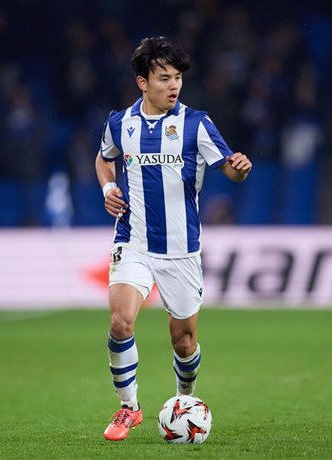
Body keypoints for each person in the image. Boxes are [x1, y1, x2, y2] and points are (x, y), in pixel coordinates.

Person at [94, 36, 252, 441]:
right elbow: (103, 157)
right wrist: (108, 189)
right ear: (142, 82)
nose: (174, 85)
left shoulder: (197, 123)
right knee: (120, 322)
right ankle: (128, 407)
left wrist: (240, 168)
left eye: (178, 77)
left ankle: (185, 399)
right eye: (164, 77)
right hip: (133, 241)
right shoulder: (120, 123)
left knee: (183, 342)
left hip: (181, 250)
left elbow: (229, 169)